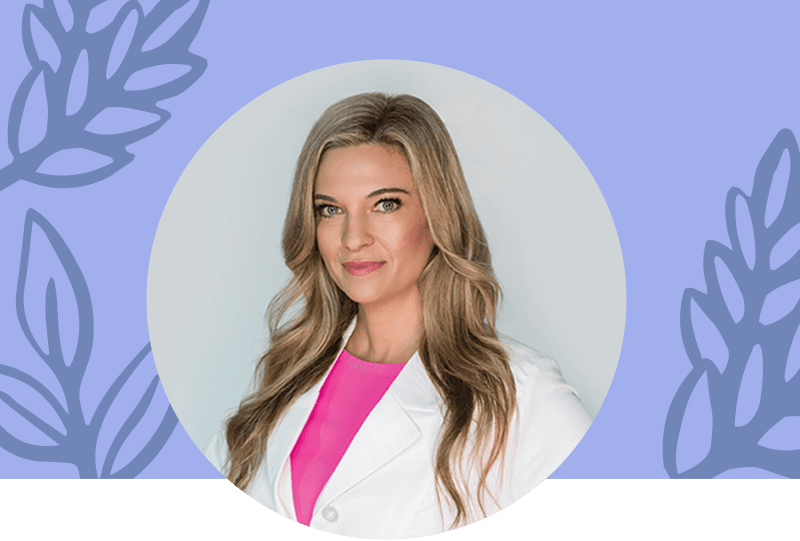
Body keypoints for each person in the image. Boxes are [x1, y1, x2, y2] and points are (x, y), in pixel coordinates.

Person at [205, 92, 592, 538]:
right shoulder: (286, 376)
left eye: (385, 204)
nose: (353, 238)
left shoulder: (526, 398)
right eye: (330, 210)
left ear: (437, 213)